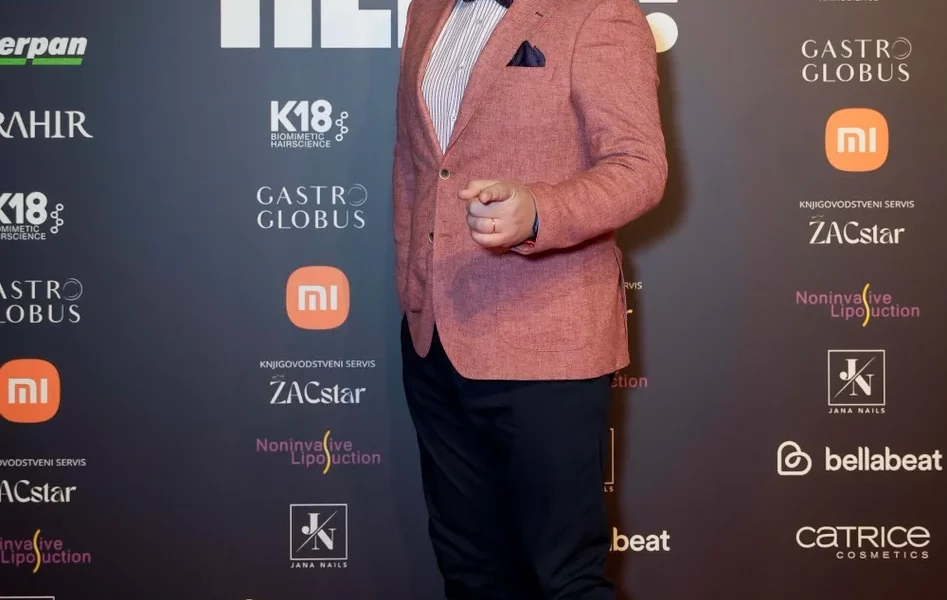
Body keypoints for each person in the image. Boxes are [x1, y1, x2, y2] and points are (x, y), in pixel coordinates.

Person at [392, 0, 667, 596]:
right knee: (470, 573)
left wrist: (540, 210)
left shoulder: (599, 12)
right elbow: (417, 167)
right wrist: (413, 291)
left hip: (549, 344)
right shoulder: (426, 10)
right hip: (434, 338)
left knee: (564, 578)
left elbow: (639, 166)